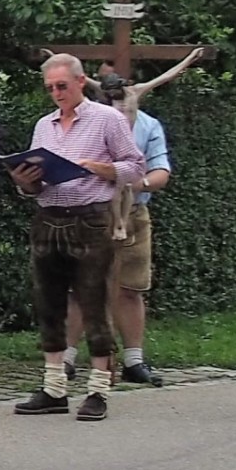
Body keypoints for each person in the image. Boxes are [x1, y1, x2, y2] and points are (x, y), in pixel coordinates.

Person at [10, 54, 144, 421]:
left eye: (62, 86)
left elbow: (135, 166)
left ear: (81, 82)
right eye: (50, 88)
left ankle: (99, 387)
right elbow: (37, 178)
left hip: (90, 218)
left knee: (94, 300)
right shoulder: (44, 126)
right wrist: (26, 182)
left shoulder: (108, 119)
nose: (56, 94)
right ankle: (54, 386)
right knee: (48, 301)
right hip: (49, 216)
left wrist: (103, 169)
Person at [85, 63, 186, 387]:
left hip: (134, 211)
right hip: (91, 211)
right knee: (79, 289)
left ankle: (133, 360)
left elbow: (161, 170)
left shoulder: (148, 124)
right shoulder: (89, 122)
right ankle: (68, 359)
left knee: (130, 287)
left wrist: (137, 183)